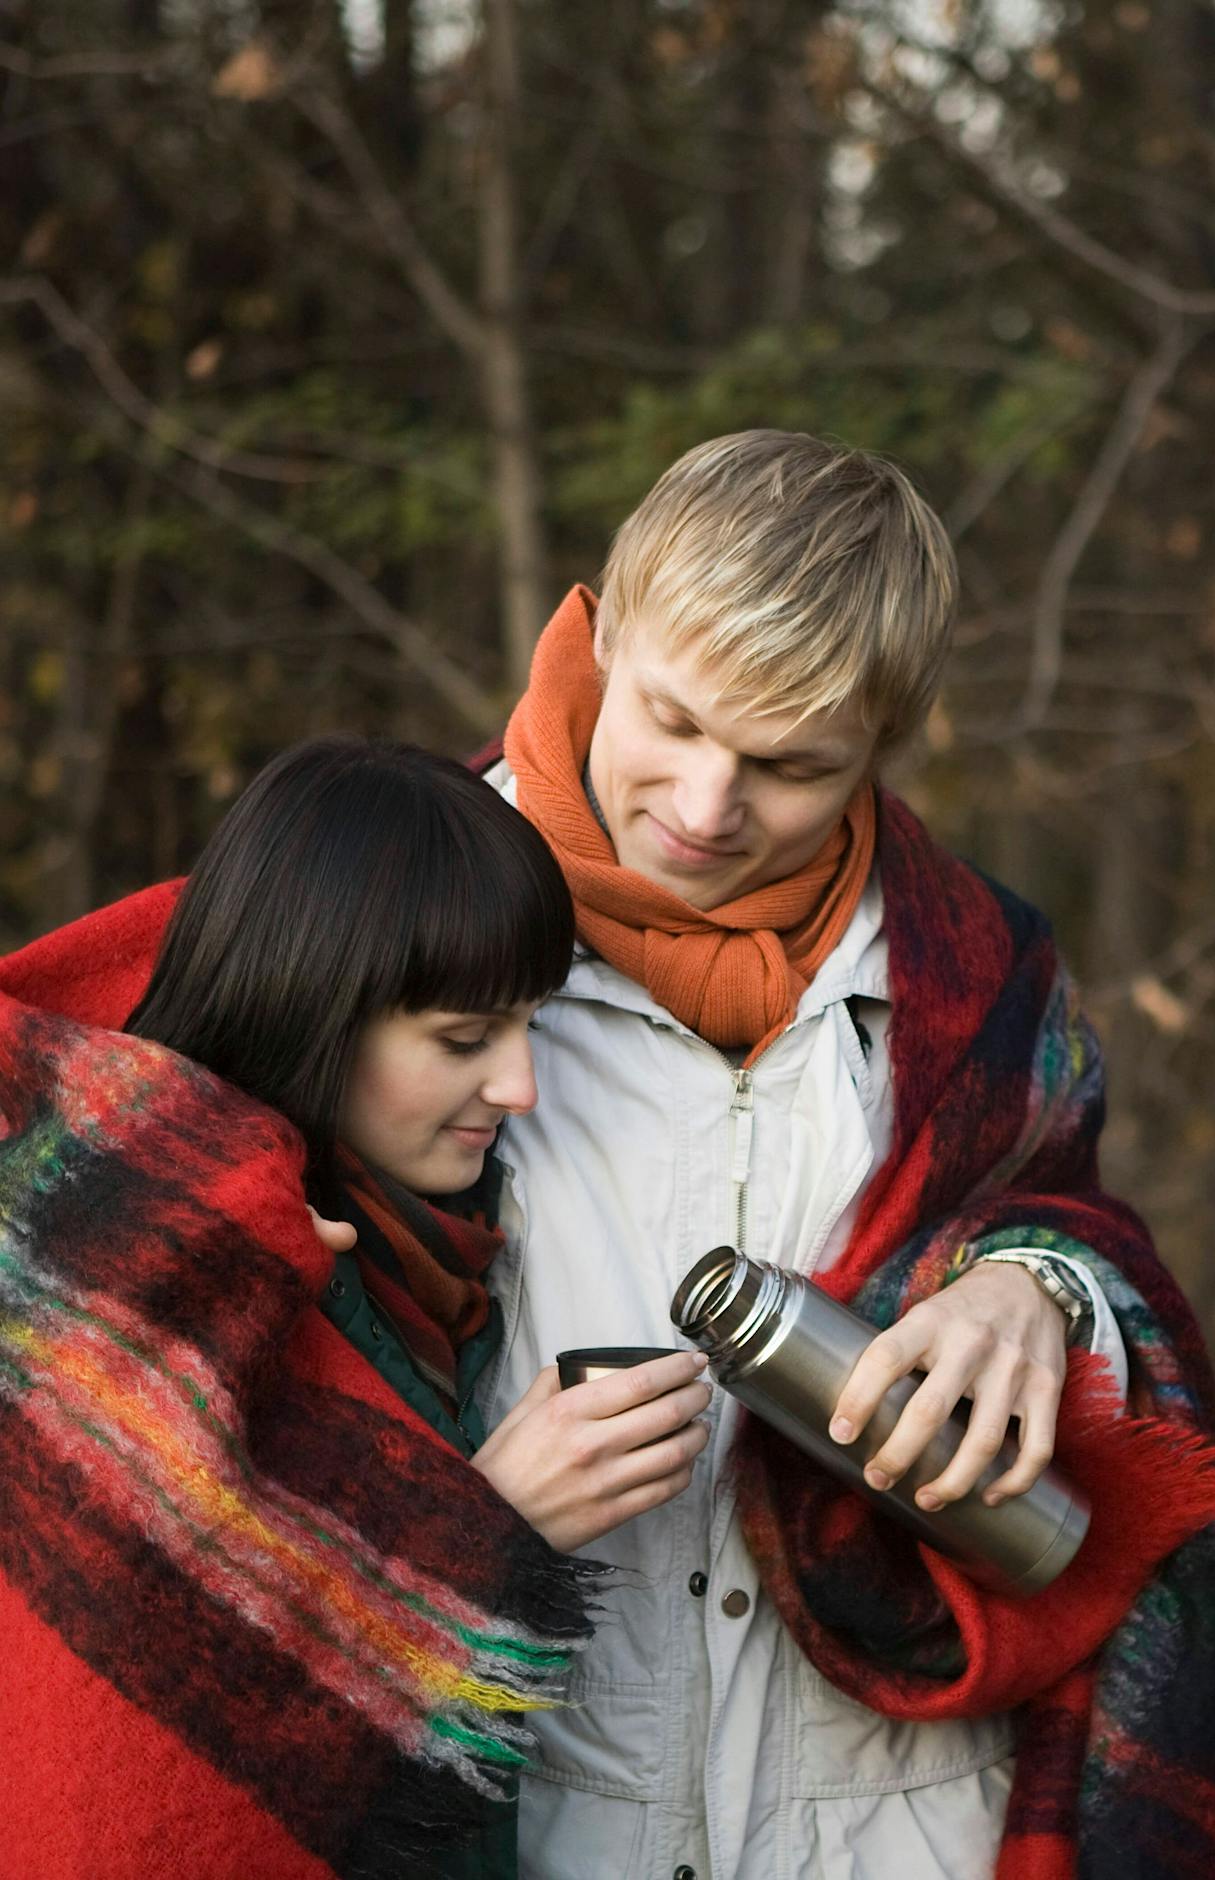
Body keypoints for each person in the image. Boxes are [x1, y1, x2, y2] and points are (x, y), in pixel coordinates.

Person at [482, 430, 1215, 1879]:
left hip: (896, 1830)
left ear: (881, 747)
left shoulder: (975, 968)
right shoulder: (388, 916)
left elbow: (1067, 1217)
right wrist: (458, 1518)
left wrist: (1036, 1285)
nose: (707, 809)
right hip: (530, 1821)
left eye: (790, 767)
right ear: (603, 628)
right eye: (671, 721)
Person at [0, 737, 708, 1880]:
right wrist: (486, 1523)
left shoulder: (439, 1242)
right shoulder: (125, 1269)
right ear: (315, 1007)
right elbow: (131, 1744)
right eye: (463, 1040)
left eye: (531, 1023)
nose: (520, 1086)